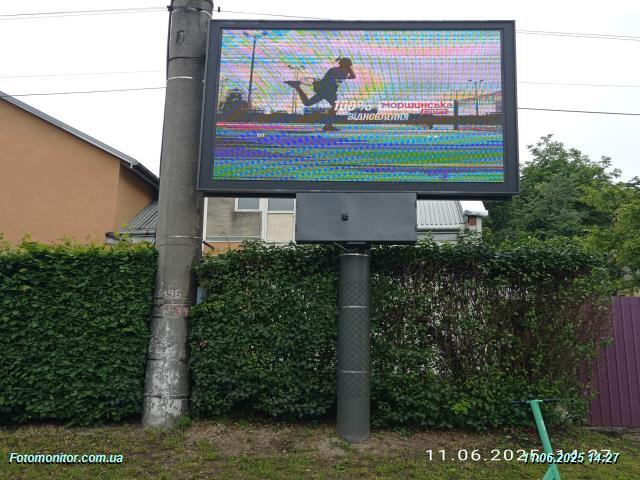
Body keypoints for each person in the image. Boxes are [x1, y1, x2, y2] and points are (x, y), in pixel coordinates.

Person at [284, 57, 356, 132]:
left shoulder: (342, 71)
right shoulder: (335, 70)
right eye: (348, 65)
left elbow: (353, 76)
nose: (349, 67)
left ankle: (297, 87)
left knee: (308, 103)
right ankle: (328, 125)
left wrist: (346, 73)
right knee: (334, 107)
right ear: (345, 65)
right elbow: (327, 80)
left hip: (326, 90)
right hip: (327, 90)